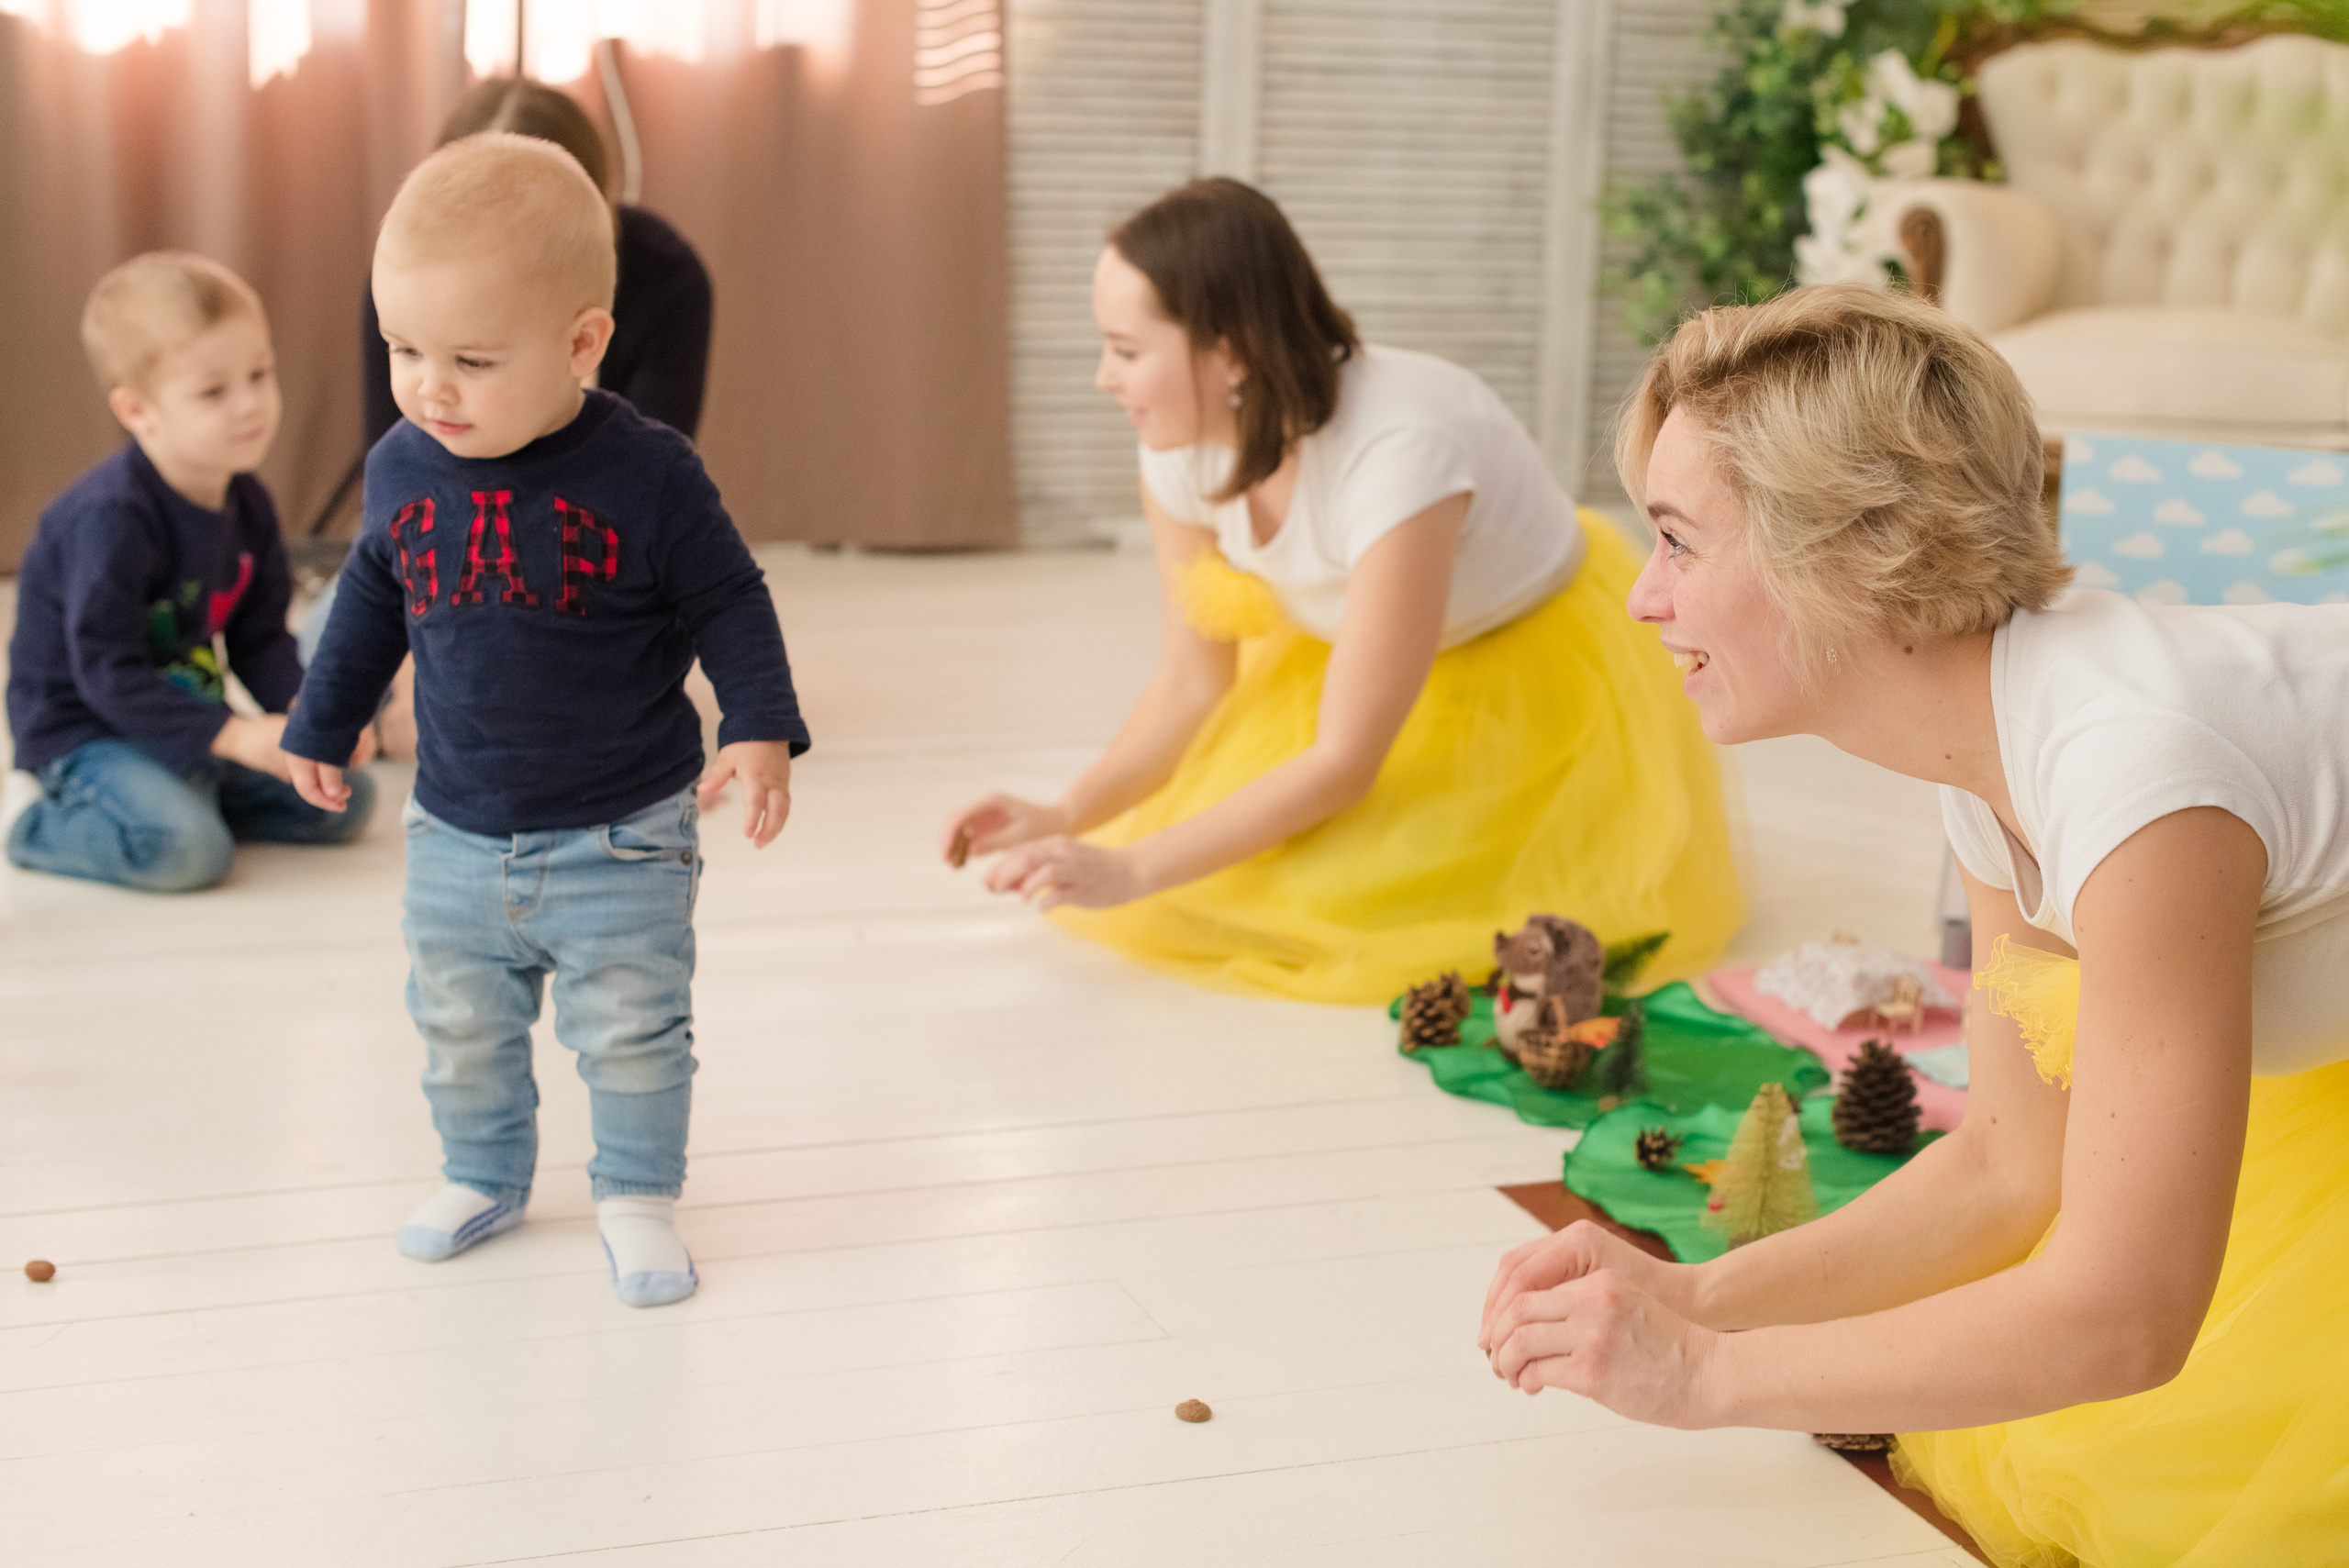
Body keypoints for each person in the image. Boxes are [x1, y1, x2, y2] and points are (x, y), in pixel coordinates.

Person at [1477, 284, 2349, 1566]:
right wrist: (1699, 1296)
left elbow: (2128, 1318)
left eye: (1677, 542)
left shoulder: (2139, 777)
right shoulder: (1989, 741)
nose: (1640, 600)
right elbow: (2008, 1161)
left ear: (1849, 549)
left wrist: (1709, 1378)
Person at [942, 178, 1742, 1004]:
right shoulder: (1179, 446)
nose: (1104, 378)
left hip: (1520, 651)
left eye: (1127, 349)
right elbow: (1192, 681)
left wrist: (1131, 866)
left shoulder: (1402, 453)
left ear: (1231, 351)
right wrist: (1067, 813)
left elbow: (1343, 759)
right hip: (1358, 635)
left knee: (1380, 890)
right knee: (1253, 875)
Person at [284, 134, 807, 1307]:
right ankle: (482, 1171)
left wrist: (758, 722)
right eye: (403, 349)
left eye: (470, 358)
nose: (429, 387)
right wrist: (325, 717)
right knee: (460, 1024)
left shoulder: (649, 474)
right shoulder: (405, 466)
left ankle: (634, 1192)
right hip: (456, 828)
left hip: (621, 829)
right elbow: (372, 593)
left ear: (581, 344)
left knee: (630, 1028)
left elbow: (728, 592)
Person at [5, 252, 376, 892]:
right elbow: (106, 675)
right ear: (138, 411)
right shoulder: (112, 518)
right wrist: (235, 736)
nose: (251, 404)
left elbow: (261, 641)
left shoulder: (247, 500)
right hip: (87, 729)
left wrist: (311, 712)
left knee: (346, 801)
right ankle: (41, 824)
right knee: (188, 853)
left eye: (260, 374)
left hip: (184, 719)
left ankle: (191, 790)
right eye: (214, 391)